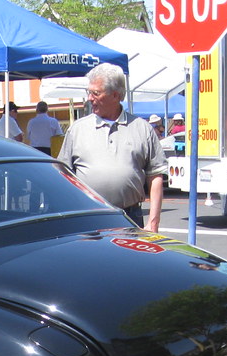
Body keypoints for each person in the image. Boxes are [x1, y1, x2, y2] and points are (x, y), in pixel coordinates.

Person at [57, 63, 167, 231]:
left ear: (116, 95)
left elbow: (156, 176)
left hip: (130, 217)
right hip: (88, 218)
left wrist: (153, 223)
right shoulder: (77, 129)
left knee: (130, 258)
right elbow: (62, 175)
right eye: (89, 92)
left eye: (96, 93)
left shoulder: (141, 128)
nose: (89, 98)